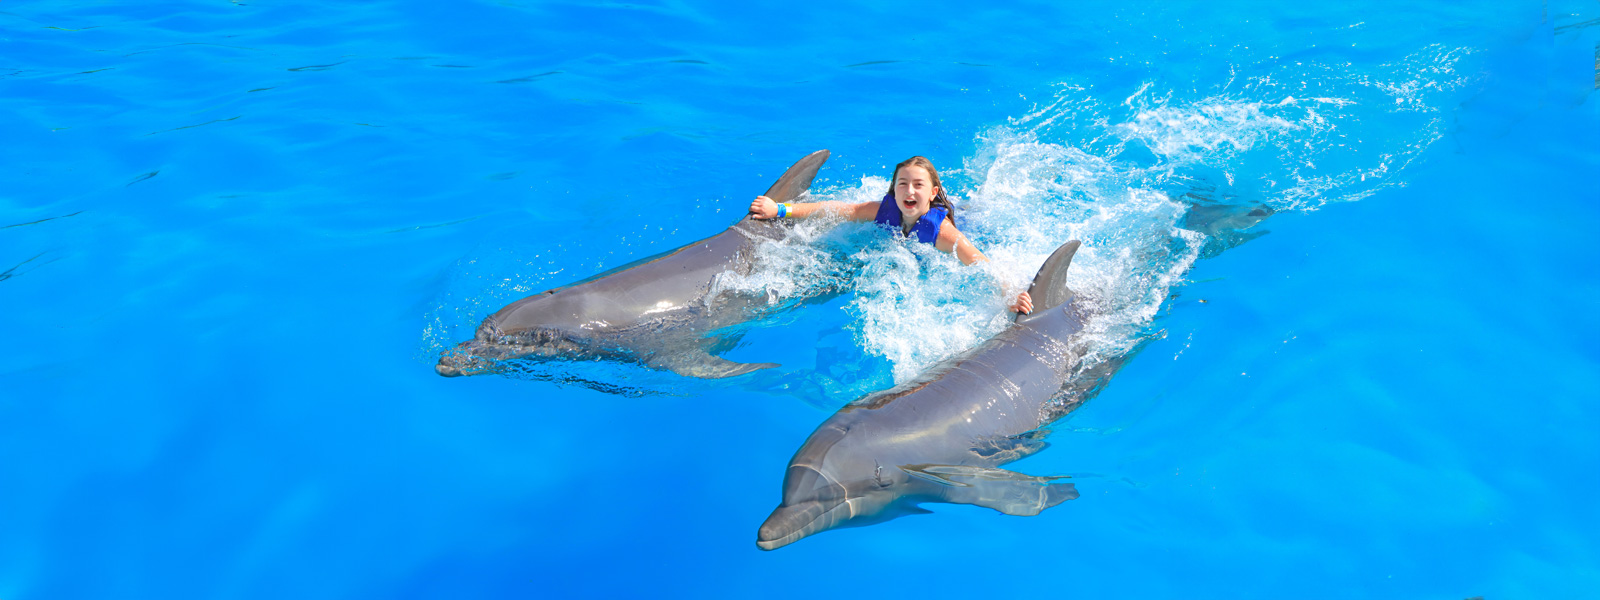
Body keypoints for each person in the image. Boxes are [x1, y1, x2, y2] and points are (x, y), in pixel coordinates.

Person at [748, 156, 1033, 314]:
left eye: (918, 185)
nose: (910, 191)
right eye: (903, 184)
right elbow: (838, 209)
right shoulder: (880, 210)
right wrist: (781, 210)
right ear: (893, 190)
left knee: (977, 215)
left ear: (933, 193)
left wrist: (1010, 295)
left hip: (975, 226)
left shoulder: (943, 233)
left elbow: (980, 262)